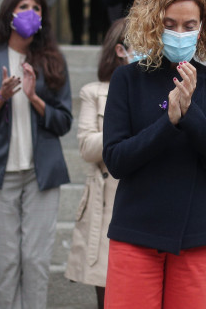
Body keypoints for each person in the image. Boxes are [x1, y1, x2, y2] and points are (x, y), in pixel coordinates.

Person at [101, 0, 206, 309]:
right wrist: (169, 122)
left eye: (189, 24)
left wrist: (190, 114)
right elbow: (116, 159)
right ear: (153, 24)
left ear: (203, 26)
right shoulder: (127, 79)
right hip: (136, 231)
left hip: (197, 234)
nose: (180, 32)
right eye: (170, 24)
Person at [0, 0, 72, 309]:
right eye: (23, 6)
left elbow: (64, 121)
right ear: (9, 12)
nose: (30, 13)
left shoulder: (52, 59)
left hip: (41, 173)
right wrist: (1, 96)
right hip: (0, 175)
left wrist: (33, 98)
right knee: (7, 262)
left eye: (37, 8)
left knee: (37, 261)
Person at [65, 18, 127, 309]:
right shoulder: (94, 92)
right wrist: (123, 125)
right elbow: (87, 147)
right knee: (107, 295)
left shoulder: (160, 88)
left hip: (146, 196)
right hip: (105, 202)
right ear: (120, 50)